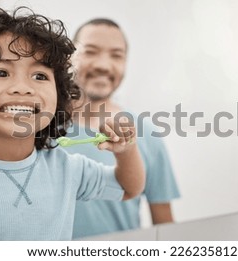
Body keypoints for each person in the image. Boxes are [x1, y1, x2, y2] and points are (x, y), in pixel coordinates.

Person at [0, 5, 144, 241]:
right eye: (1, 73)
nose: (23, 88)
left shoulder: (67, 169)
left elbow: (128, 188)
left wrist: (127, 151)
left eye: (40, 76)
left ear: (58, 97)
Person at [65, 18, 180, 239]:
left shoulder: (146, 134)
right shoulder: (38, 128)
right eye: (90, 51)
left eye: (116, 55)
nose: (103, 65)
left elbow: (165, 227)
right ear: (69, 58)